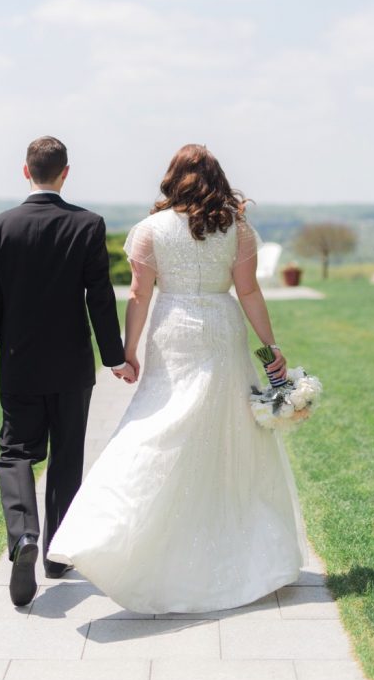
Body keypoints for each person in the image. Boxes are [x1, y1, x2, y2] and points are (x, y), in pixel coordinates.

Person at [47, 143, 310, 613]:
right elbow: (248, 291)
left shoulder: (149, 229)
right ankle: (227, 542)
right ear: (217, 179)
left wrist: (126, 353)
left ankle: (110, 529)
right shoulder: (237, 228)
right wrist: (271, 346)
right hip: (221, 328)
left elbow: (139, 295)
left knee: (158, 424)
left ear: (172, 178)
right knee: (224, 432)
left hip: (173, 330)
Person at [0, 136, 135, 607]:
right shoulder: (87, 225)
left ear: (26, 171)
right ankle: (57, 555)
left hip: (19, 363)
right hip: (71, 366)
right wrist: (115, 357)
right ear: (66, 172)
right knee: (66, 457)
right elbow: (99, 297)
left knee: (15, 453)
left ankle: (24, 535)